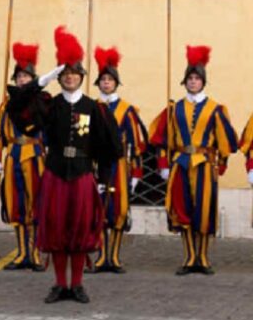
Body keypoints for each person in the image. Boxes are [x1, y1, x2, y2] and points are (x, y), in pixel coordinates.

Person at [9, 26, 121, 303]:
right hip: (56, 174)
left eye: (74, 73)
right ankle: (60, 283)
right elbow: (16, 108)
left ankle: (78, 284)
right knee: (57, 228)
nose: (70, 77)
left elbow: (110, 149)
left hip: (83, 174)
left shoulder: (95, 109)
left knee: (81, 229)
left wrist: (105, 182)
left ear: (82, 77)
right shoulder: (49, 105)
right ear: (60, 78)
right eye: (65, 74)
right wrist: (41, 81)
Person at [149, 45, 237, 275]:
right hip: (180, 163)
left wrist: (223, 162)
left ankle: (204, 258)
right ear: (185, 81)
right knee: (183, 210)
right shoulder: (174, 108)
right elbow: (162, 139)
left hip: (205, 166)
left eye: (197, 78)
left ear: (203, 81)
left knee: (204, 212)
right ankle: (189, 257)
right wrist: (163, 165)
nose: (193, 82)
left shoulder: (215, 108)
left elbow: (224, 138)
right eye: (190, 78)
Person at [0, 42, 46, 271]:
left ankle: (35, 254)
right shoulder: (6, 105)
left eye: (26, 76)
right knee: (16, 206)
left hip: (35, 156)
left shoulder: (42, 101)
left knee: (37, 207)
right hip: (12, 155)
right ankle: (21, 252)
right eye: (19, 77)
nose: (22, 80)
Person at [92, 46, 148, 273]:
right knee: (98, 212)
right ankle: (100, 256)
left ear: (116, 83)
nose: (106, 83)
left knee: (117, 211)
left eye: (109, 80)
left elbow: (135, 144)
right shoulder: (91, 108)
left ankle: (114, 257)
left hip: (119, 165)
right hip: (97, 166)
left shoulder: (127, 111)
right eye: (103, 80)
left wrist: (136, 172)